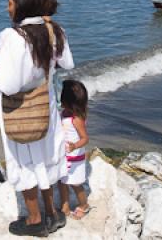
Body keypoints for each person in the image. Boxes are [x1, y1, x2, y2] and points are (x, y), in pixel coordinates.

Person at [0, 0, 74, 237]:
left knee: (23, 161)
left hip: (20, 110)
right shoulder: (53, 30)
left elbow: (7, 85)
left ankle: (35, 219)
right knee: (46, 156)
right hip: (45, 105)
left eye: (10, 2)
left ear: (23, 5)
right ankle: (52, 214)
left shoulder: (12, 37)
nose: (7, 8)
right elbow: (67, 64)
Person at [57, 79, 91, 219]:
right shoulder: (64, 113)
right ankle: (64, 206)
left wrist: (75, 145)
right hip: (63, 156)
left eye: (62, 100)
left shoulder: (76, 119)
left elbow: (85, 138)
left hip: (75, 159)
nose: (61, 103)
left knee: (76, 184)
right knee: (62, 181)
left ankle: (84, 205)